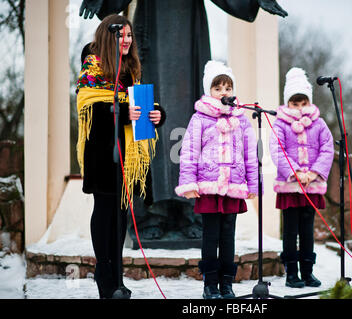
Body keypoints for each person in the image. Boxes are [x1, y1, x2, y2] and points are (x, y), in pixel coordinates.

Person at [79, 0, 288, 244]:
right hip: (152, 34)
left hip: (189, 34)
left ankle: (190, 212)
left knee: (192, 117)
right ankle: (151, 214)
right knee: (150, 115)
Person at [76, 14, 165, 299]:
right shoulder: (92, 65)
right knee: (104, 214)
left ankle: (118, 279)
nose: (126, 40)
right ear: (107, 35)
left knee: (121, 217)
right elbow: (89, 108)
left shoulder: (131, 68)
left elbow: (138, 103)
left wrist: (157, 114)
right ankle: (105, 278)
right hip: (102, 153)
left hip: (127, 155)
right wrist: (121, 112)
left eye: (129, 36)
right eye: (121, 35)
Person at [175, 60, 258, 299]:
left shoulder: (241, 119)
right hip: (209, 187)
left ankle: (227, 283)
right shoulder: (200, 118)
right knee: (210, 236)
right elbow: (189, 152)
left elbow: (250, 154)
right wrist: (189, 183)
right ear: (209, 91)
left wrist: (253, 185)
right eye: (218, 88)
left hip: (233, 186)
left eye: (228, 88)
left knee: (228, 235)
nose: (224, 92)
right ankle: (210, 284)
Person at [269, 68, 334, 288]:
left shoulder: (319, 124)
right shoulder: (280, 124)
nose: (298, 108)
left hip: (312, 185)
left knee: (307, 231)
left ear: (309, 102)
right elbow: (277, 149)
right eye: (294, 103)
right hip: (290, 186)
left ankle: (308, 271)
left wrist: (314, 173)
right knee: (290, 231)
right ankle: (291, 273)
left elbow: (327, 150)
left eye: (303, 103)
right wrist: (296, 172)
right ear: (288, 103)